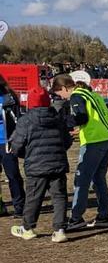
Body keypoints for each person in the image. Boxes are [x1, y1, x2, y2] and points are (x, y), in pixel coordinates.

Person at [52, 74, 108, 229]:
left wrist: (63, 123)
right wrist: (81, 130)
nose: (62, 98)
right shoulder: (92, 94)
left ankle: (76, 219)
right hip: (107, 138)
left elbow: (81, 117)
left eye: (59, 94)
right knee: (99, 179)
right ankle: (104, 216)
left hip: (93, 142)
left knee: (81, 181)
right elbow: (107, 118)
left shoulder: (76, 96)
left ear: (64, 88)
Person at [8, 86, 70, 243]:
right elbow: (67, 141)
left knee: (33, 198)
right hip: (57, 164)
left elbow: (17, 145)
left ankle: (28, 228)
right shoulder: (57, 118)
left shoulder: (25, 120)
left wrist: (25, 154)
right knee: (59, 197)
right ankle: (60, 230)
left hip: (36, 166)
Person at [0, 74, 25, 218]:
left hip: (6, 141)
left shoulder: (8, 97)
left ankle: (20, 205)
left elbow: (17, 120)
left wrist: (15, 139)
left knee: (13, 175)